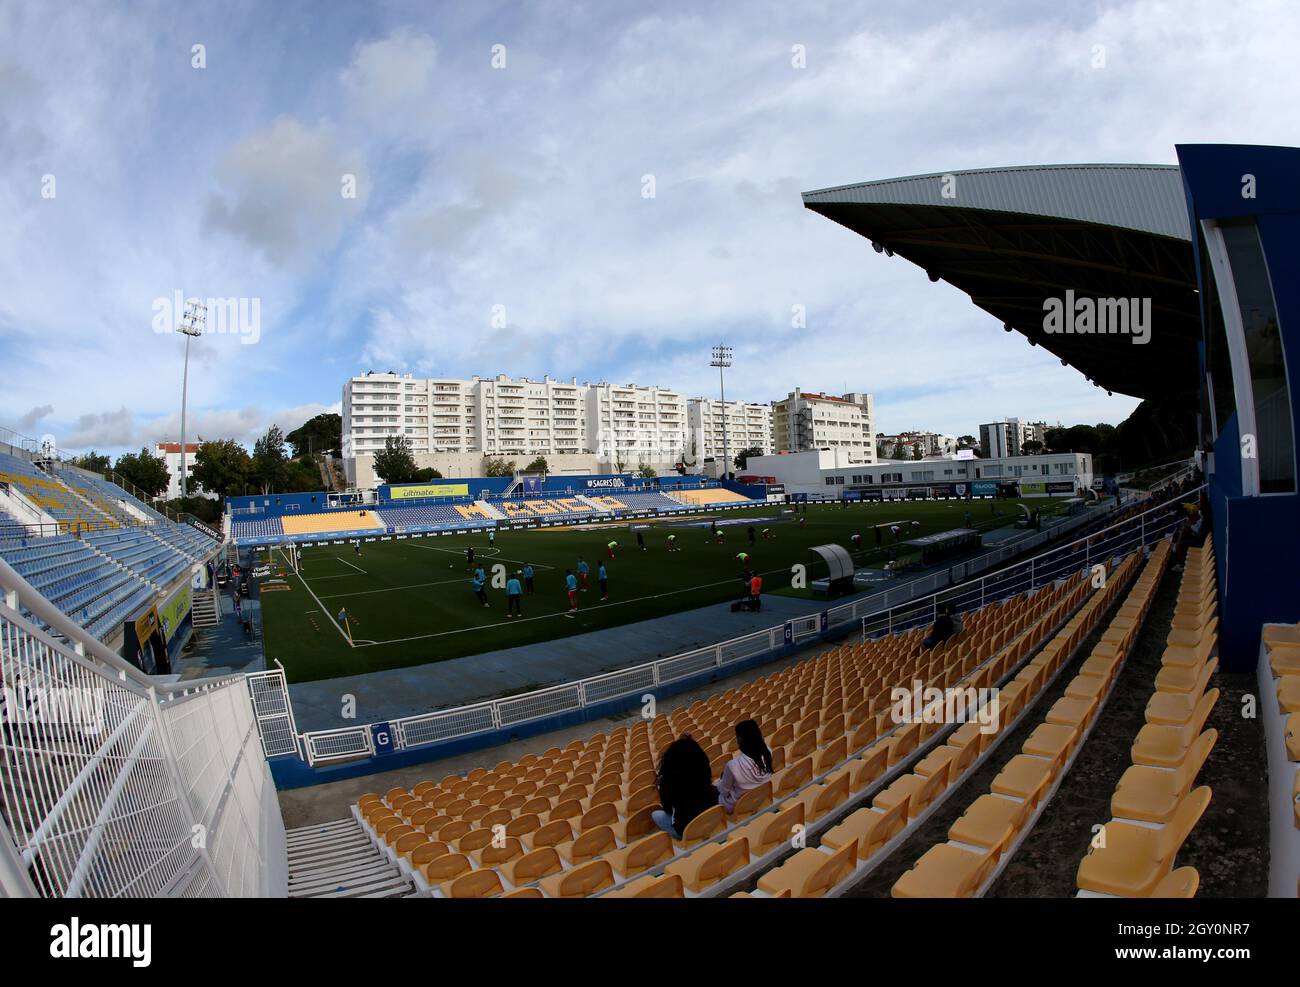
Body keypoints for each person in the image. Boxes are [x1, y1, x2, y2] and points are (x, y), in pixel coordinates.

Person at [651, 737, 719, 839]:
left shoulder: (671, 781)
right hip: (711, 820)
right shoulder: (703, 772)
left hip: (685, 830)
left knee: (656, 814)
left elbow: (667, 808)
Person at [718, 720, 773, 813]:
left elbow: (724, 792)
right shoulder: (768, 752)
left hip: (738, 805)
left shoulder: (733, 765)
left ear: (739, 739)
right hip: (760, 797)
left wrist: (721, 782)